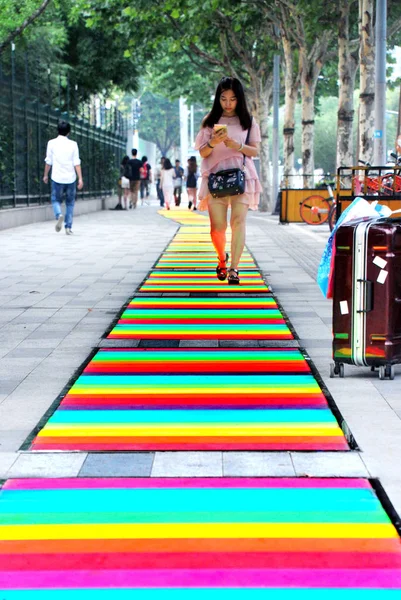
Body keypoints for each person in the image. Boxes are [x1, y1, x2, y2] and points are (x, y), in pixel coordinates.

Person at [195, 76, 262, 285]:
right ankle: (221, 259)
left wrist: (237, 146)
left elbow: (255, 151)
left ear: (239, 99)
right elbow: (202, 153)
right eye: (224, 99)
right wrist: (213, 142)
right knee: (217, 227)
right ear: (218, 98)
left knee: (239, 222)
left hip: (242, 176)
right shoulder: (209, 121)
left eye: (232, 99)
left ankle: (234, 268)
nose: (228, 104)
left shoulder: (248, 121)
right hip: (215, 178)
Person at [43, 120, 83, 235]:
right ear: (69, 132)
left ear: (58, 130)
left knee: (55, 199)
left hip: (57, 177)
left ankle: (59, 214)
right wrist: (80, 178)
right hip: (71, 178)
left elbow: (48, 161)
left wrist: (45, 175)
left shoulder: (51, 143)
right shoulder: (73, 144)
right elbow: (76, 162)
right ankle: (68, 227)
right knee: (70, 203)